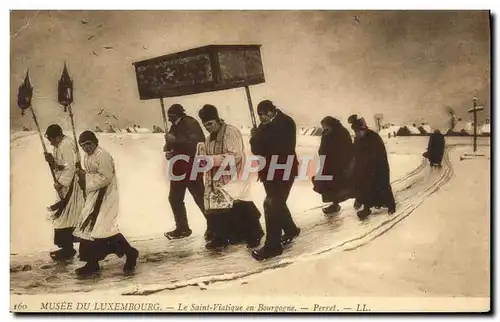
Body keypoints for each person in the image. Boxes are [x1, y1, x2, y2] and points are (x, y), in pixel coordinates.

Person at [197, 104, 264, 250]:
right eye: (205, 125)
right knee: (220, 210)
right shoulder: (208, 139)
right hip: (218, 179)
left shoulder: (230, 132)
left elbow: (235, 155)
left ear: (217, 120)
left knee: (241, 207)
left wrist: (211, 160)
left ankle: (255, 235)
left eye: (210, 124)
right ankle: (221, 238)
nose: (207, 128)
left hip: (235, 176)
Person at [73, 131, 138, 277]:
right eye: (83, 145)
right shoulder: (87, 156)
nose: (86, 148)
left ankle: (130, 253)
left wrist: (86, 177)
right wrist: (83, 175)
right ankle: (92, 262)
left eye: (89, 144)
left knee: (103, 229)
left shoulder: (103, 155)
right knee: (89, 229)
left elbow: (106, 177)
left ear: (95, 142)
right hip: (94, 196)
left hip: (106, 196)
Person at [249, 100, 301, 261]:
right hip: (268, 172)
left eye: (265, 113)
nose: (263, 117)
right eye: (260, 115)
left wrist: (259, 136)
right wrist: (255, 137)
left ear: (273, 110)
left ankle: (273, 246)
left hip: (284, 170)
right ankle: (291, 229)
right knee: (277, 203)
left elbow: (280, 148)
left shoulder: (285, 122)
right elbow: (257, 150)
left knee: (271, 204)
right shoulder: (263, 127)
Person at [163, 104, 208, 240]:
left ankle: (214, 226)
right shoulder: (176, 125)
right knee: (175, 198)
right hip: (179, 167)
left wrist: (175, 141)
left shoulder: (190, 123)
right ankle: (182, 228)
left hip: (191, 166)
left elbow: (197, 143)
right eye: (169, 116)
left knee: (200, 197)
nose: (169, 119)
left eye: (171, 116)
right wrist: (169, 152)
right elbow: (170, 145)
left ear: (178, 114)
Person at [44, 124, 84, 261]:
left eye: (51, 139)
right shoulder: (58, 145)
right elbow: (61, 166)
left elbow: (70, 167)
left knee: (68, 217)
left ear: (58, 136)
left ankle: (71, 249)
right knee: (63, 218)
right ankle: (67, 248)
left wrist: (61, 183)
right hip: (64, 186)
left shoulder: (66, 145)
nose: (50, 142)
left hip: (71, 186)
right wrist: (52, 161)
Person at [348, 114, 396, 220]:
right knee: (364, 188)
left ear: (363, 129)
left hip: (378, 168)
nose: (356, 134)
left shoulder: (374, 137)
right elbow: (355, 153)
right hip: (364, 168)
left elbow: (379, 154)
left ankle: (391, 205)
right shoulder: (358, 139)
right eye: (355, 132)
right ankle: (366, 208)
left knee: (382, 186)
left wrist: (371, 166)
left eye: (358, 131)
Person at [312, 117, 354, 214]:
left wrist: (345, 163)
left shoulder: (342, 132)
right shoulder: (326, 133)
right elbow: (323, 146)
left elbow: (347, 148)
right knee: (327, 185)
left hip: (338, 164)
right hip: (327, 163)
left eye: (324, 126)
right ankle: (335, 204)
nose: (323, 128)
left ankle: (339, 204)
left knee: (339, 185)